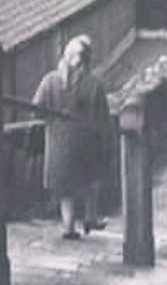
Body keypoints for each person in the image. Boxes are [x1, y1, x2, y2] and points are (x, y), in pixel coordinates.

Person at [33, 35, 111, 240]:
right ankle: (90, 217)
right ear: (87, 60)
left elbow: (36, 110)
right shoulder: (93, 84)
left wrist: (54, 120)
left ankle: (68, 228)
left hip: (58, 144)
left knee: (65, 188)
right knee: (91, 181)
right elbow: (103, 117)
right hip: (86, 143)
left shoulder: (50, 81)